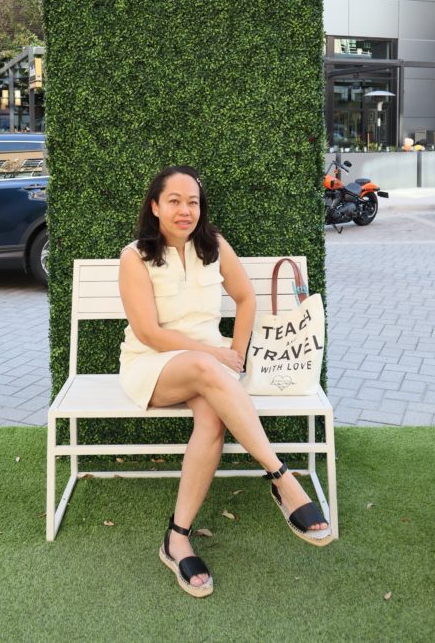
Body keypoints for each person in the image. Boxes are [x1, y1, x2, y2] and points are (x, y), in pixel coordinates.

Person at [118, 165, 332, 598]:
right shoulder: (135, 256)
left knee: (213, 421)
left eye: (193, 202)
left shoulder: (213, 245)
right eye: (174, 201)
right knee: (203, 370)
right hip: (154, 364)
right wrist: (216, 356)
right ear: (155, 206)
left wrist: (234, 354)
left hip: (211, 370)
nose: (185, 210)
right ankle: (281, 477)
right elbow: (148, 332)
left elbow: (246, 296)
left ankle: (177, 537)